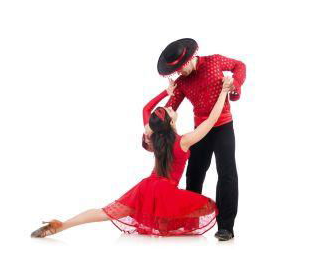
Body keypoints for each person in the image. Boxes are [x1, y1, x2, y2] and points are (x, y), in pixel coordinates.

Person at [30, 76, 234, 238]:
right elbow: (212, 119)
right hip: (165, 191)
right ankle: (167, 230)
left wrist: (166, 92)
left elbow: (146, 109)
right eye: (170, 110)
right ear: (171, 123)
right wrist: (224, 92)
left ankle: (62, 224)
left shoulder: (153, 136)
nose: (173, 107)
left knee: (104, 211)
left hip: (146, 188)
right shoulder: (184, 141)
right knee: (209, 205)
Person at [146, 38, 246, 241]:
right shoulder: (182, 82)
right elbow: (169, 108)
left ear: (191, 58)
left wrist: (234, 83)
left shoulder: (215, 62)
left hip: (224, 126)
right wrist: (152, 125)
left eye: (182, 67)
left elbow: (239, 65)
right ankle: (190, 222)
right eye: (176, 70)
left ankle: (226, 227)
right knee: (194, 173)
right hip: (200, 130)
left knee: (226, 173)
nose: (180, 73)